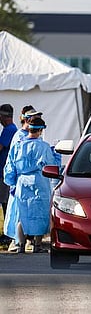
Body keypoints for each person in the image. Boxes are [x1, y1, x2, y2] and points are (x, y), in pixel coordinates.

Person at [4, 117, 57, 254]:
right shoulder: (44, 147)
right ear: (40, 130)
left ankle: (21, 245)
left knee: (22, 213)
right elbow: (51, 165)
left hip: (22, 182)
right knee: (41, 213)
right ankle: (37, 245)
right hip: (40, 182)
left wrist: (11, 183)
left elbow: (10, 167)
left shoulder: (18, 146)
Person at [0, 104, 18, 244]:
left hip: (4, 172)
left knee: (5, 201)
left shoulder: (9, 130)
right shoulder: (13, 129)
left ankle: (8, 233)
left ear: (4, 117)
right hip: (6, 172)